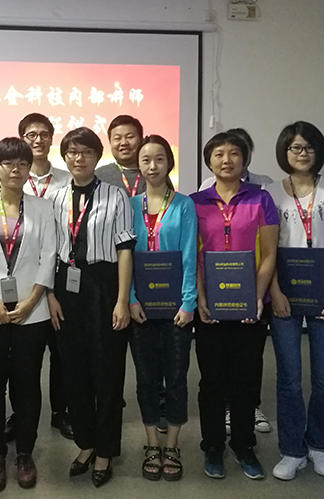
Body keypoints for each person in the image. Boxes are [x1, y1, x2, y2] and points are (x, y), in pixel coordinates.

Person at [0, 138, 57, 492]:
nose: (15, 169)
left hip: (31, 312)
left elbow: (49, 256)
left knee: (27, 384)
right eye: (8, 163)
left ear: (29, 168)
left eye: (22, 163)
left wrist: (31, 302)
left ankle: (25, 454)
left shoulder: (43, 208)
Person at [46, 127, 136, 488]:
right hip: (65, 289)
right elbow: (48, 249)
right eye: (72, 152)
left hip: (104, 286)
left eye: (85, 151)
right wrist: (50, 295)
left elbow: (125, 250)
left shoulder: (116, 195)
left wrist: (122, 300)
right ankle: (85, 443)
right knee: (74, 371)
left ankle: (105, 451)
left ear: (97, 157)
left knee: (107, 373)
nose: (78, 158)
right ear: (64, 156)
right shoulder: (54, 197)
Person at [265, 121, 324, 481]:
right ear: (284, 152)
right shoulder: (271, 193)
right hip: (284, 294)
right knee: (288, 378)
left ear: (318, 151)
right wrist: (273, 291)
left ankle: (320, 445)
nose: (302, 153)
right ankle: (292, 450)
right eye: (295, 147)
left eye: (308, 147)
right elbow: (267, 248)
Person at [190, 131, 279, 481]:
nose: (226, 160)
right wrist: (200, 297)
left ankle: (244, 444)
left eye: (234, 154)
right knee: (211, 380)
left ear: (244, 159)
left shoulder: (261, 198)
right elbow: (193, 256)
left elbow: (269, 254)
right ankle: (212, 446)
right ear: (209, 161)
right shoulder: (195, 202)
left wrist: (257, 297)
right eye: (218, 154)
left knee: (246, 378)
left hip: (251, 306)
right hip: (209, 306)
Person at [127, 135, 197, 482]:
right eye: (145, 160)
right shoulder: (129, 205)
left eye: (159, 159)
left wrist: (188, 302)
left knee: (176, 378)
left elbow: (189, 255)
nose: (152, 166)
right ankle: (152, 443)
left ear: (169, 162)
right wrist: (131, 298)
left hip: (176, 310)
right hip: (141, 308)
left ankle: (172, 445)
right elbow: (125, 258)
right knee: (146, 379)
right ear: (138, 166)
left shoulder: (184, 205)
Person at [13, 113, 74, 441]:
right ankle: (20, 413)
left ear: (52, 138)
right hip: (22, 277)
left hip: (60, 276)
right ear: (21, 138)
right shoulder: (12, 178)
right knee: (24, 355)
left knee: (61, 351)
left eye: (43, 134)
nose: (37, 140)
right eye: (30, 134)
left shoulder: (67, 179)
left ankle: (60, 411)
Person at [95, 114, 146, 197]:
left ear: (141, 139)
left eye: (130, 137)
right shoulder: (98, 176)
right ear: (110, 142)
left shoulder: (154, 172)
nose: (124, 143)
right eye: (117, 138)